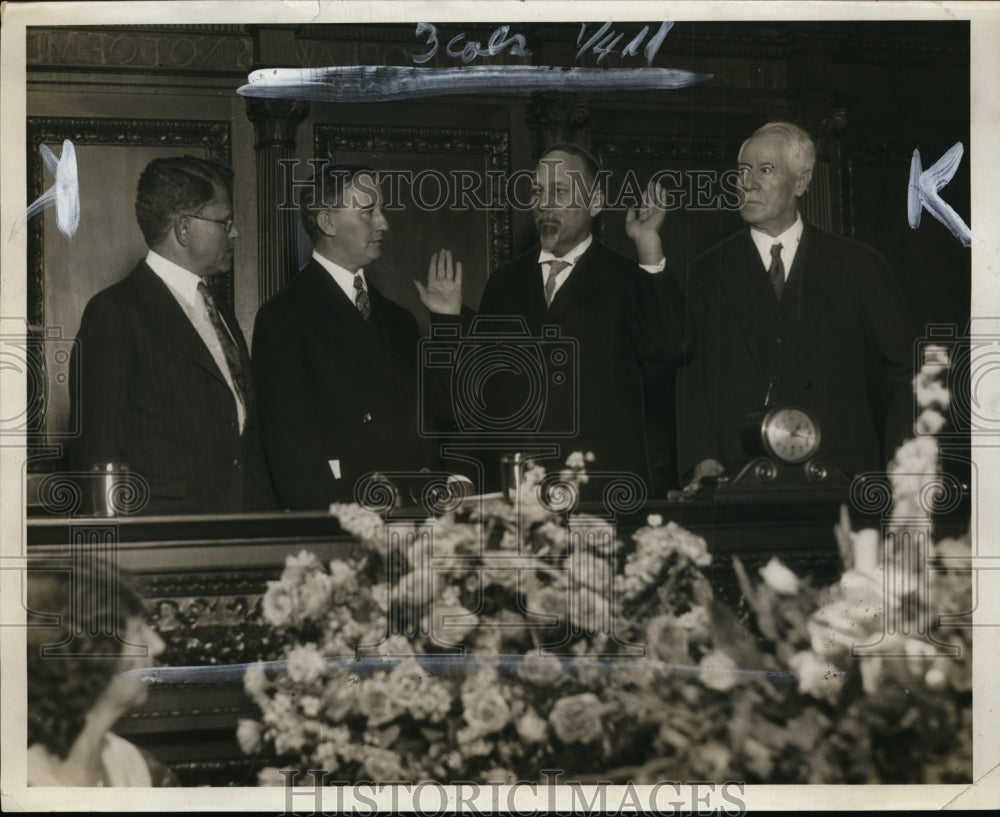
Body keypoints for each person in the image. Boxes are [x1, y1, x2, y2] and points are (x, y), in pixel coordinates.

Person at [418, 143, 682, 493]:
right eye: (538, 192)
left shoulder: (630, 278)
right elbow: (480, 392)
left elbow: (672, 346)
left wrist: (649, 247)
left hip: (599, 496)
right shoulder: (504, 282)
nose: (545, 203)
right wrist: (461, 475)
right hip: (517, 500)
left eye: (559, 191)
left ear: (595, 201)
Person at [677, 121, 914, 490]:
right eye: (743, 171)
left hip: (846, 482)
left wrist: (902, 472)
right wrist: (701, 460)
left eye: (765, 170)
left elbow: (901, 376)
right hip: (738, 482)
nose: (748, 183)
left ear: (801, 182)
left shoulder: (860, 265)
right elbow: (691, 380)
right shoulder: (707, 271)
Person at [68, 155, 274, 514]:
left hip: (242, 530)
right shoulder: (115, 311)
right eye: (225, 221)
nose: (235, 232)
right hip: (165, 538)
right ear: (183, 228)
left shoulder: (217, 307)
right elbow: (95, 455)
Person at [253, 163, 445, 509]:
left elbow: (440, 417)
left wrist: (448, 324)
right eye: (368, 212)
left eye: (381, 211)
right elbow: (291, 452)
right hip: (346, 521)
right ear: (327, 222)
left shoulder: (400, 320)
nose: (383, 223)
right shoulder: (283, 318)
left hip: (413, 518)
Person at [26, 560, 176, 786]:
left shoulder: (135, 766)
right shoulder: (24, 784)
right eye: (137, 631)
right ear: (87, 654)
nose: (158, 645)